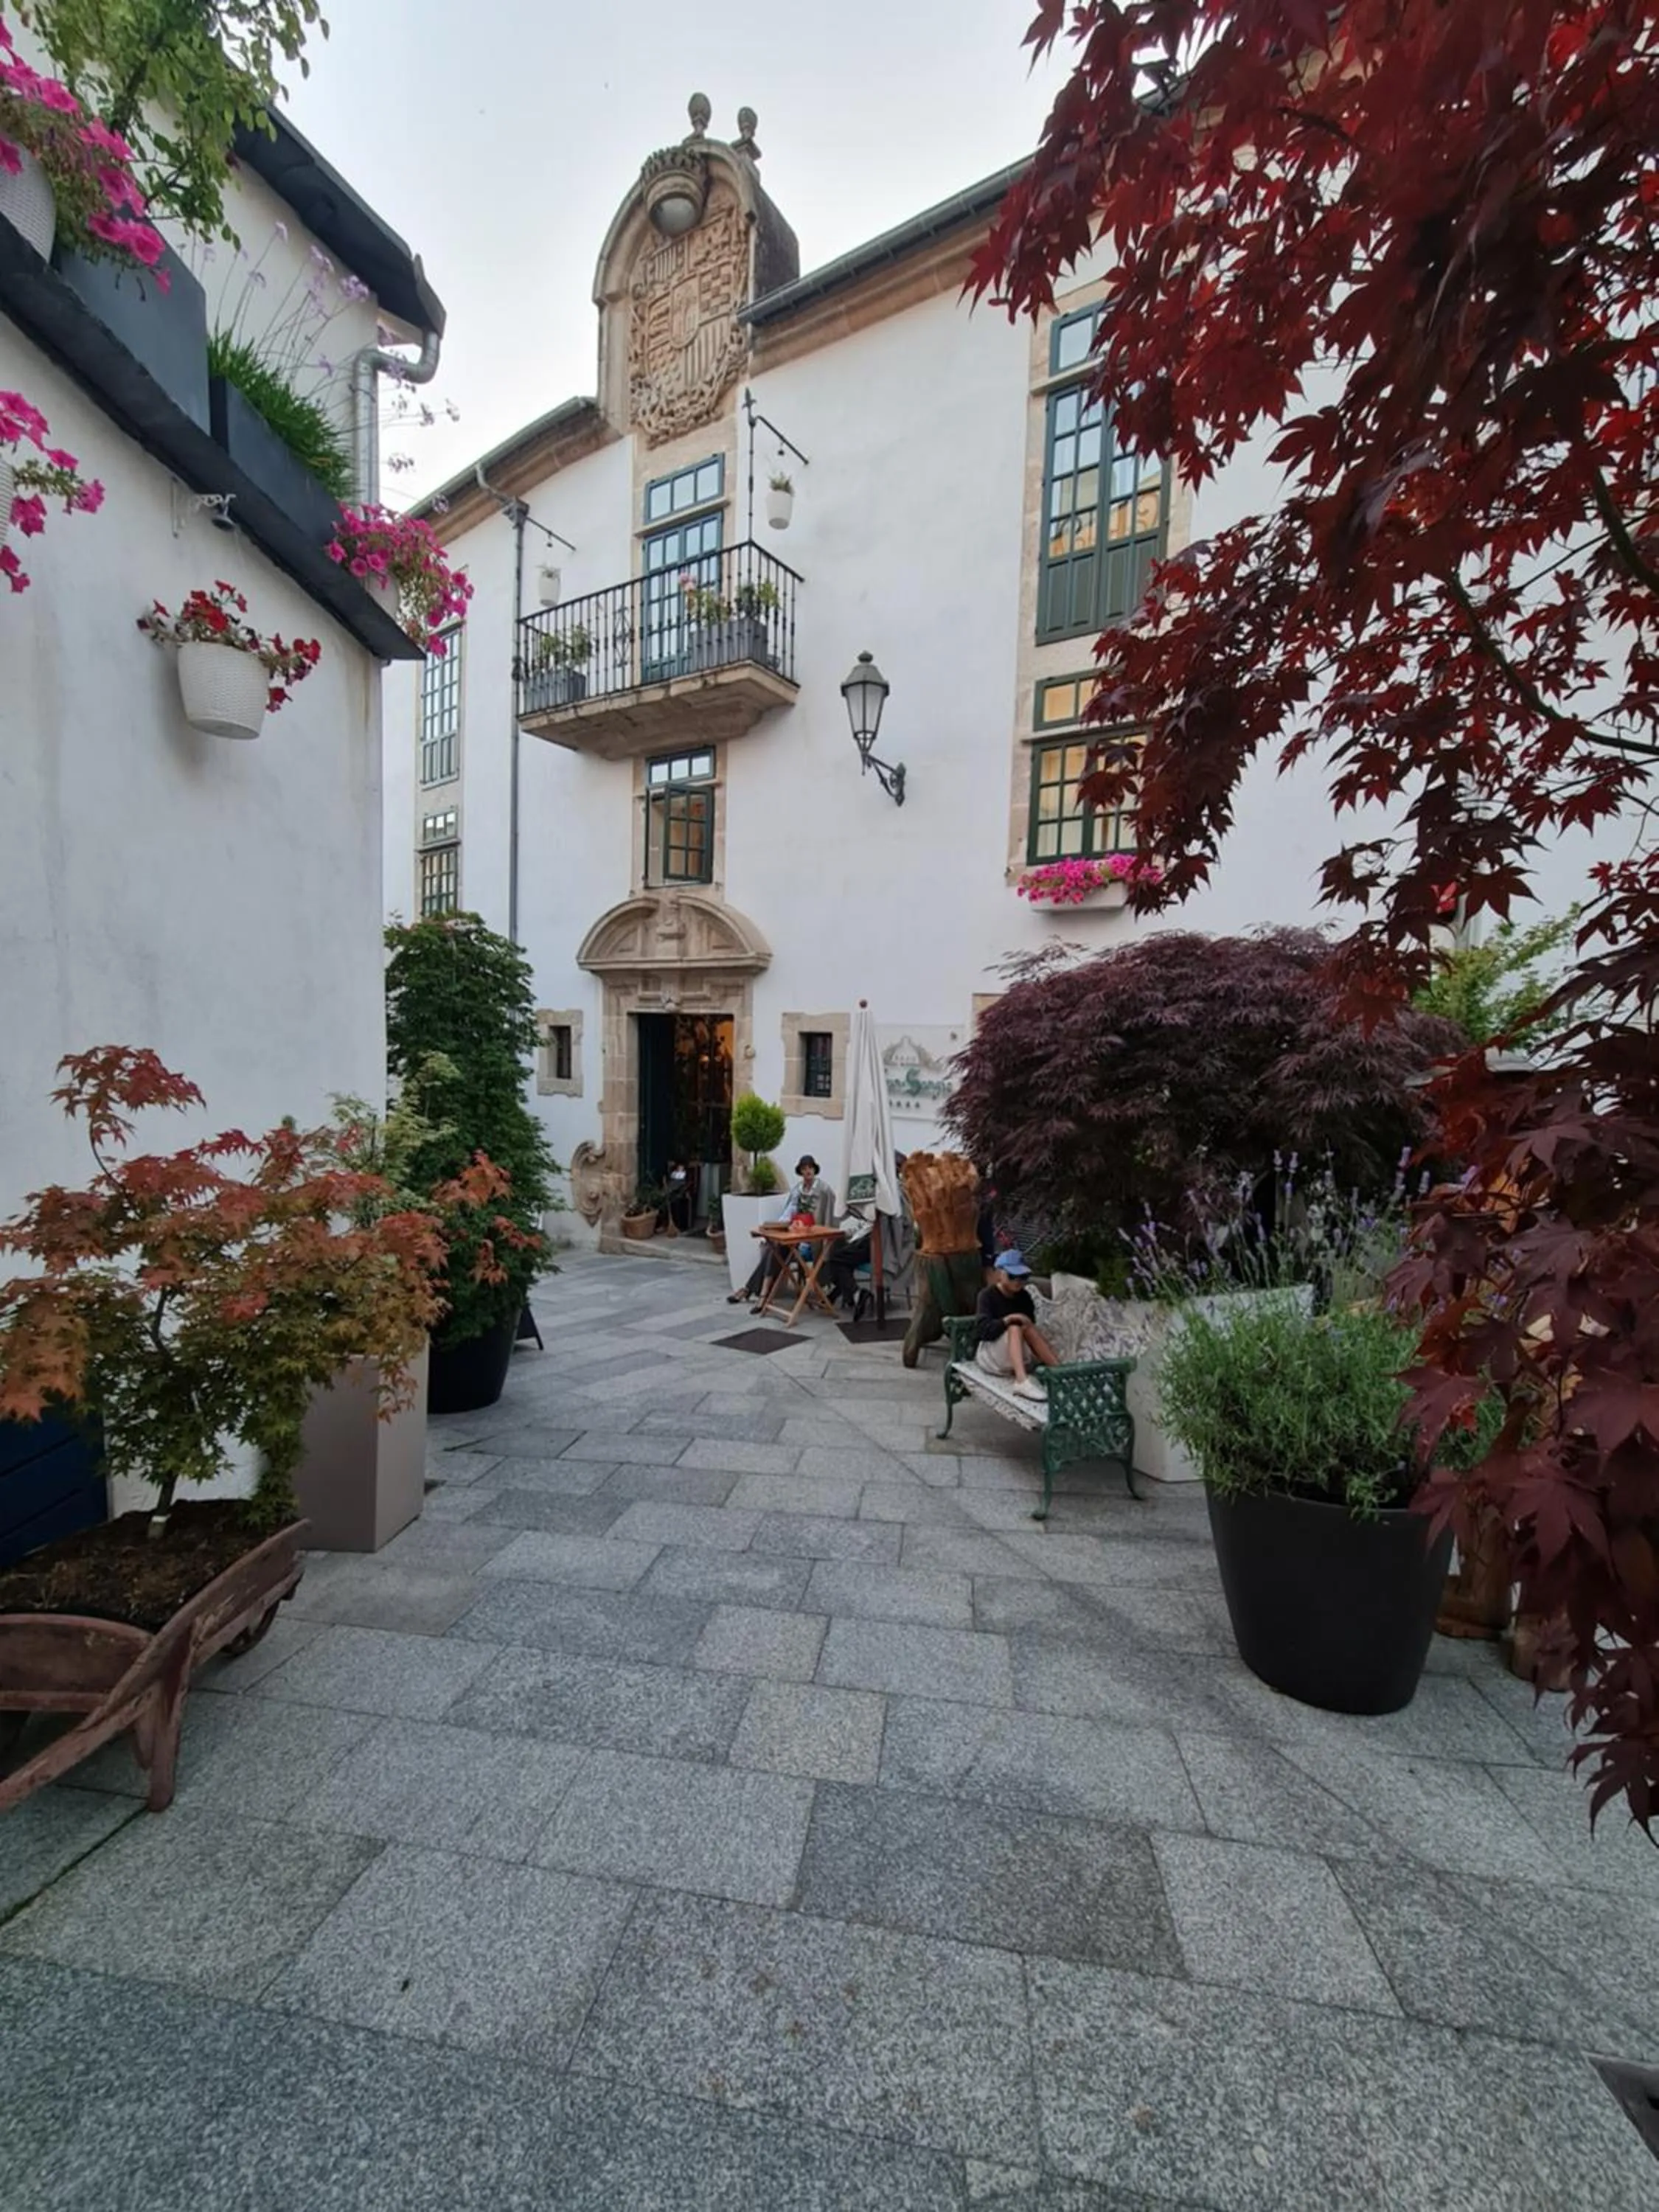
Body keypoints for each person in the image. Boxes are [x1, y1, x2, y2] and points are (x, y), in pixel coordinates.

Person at [727, 1155, 838, 1305]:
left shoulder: (824, 1190)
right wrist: (779, 1227)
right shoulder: (797, 1191)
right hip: (795, 1239)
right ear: (801, 1172)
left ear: (815, 1170)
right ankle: (756, 1291)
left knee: (775, 1251)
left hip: (813, 1243)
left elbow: (830, 1218)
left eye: (810, 1168)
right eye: (804, 1169)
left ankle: (754, 1292)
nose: (808, 1172)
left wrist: (825, 1239)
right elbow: (787, 1215)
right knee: (773, 1249)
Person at [973, 1249, 1058, 1402]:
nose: (1017, 1281)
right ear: (1000, 1274)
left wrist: (1025, 1322)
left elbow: (1029, 1327)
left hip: (1017, 1354)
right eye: (1012, 1276)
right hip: (991, 1356)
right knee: (1014, 1326)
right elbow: (983, 1331)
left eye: (1022, 1277)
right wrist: (1007, 1320)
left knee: (1025, 1326)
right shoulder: (987, 1296)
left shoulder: (1024, 1297)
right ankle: (1021, 1381)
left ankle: (1060, 1371)